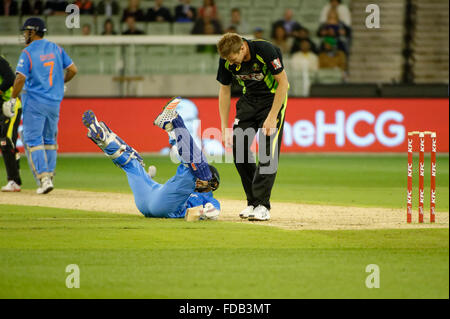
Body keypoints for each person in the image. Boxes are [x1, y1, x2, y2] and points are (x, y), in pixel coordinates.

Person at [81, 97, 221, 220]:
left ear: (212, 185)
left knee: (197, 166)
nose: (198, 182)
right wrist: (149, 178)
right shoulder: (188, 188)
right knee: (132, 163)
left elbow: (213, 212)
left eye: (204, 181)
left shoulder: (207, 198)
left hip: (163, 206)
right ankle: (105, 140)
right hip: (149, 197)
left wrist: (202, 211)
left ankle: (173, 122)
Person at [216, 33, 289, 221]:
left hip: (272, 99)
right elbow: (224, 91)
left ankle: (263, 206)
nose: (230, 63)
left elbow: (283, 84)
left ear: (242, 48)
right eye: (227, 60)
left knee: (267, 154)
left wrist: (272, 116)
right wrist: (224, 127)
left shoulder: (265, 50)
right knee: (239, 151)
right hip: (249, 101)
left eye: (232, 59)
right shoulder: (226, 60)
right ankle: (253, 202)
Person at [3, 17, 78, 194]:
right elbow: (73, 70)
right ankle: (49, 177)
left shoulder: (28, 52)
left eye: (26, 31)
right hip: (54, 102)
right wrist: (60, 83)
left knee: (32, 139)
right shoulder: (56, 49)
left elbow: (20, 78)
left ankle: (43, 179)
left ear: (33, 31)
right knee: (50, 140)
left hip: (35, 102)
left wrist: (13, 98)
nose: (24, 35)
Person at [0, 55, 22, 192]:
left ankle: (14, 181)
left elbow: (10, 78)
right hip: (1, 106)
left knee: (6, 142)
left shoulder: (0, 61)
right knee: (6, 143)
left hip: (10, 106)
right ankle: (15, 179)